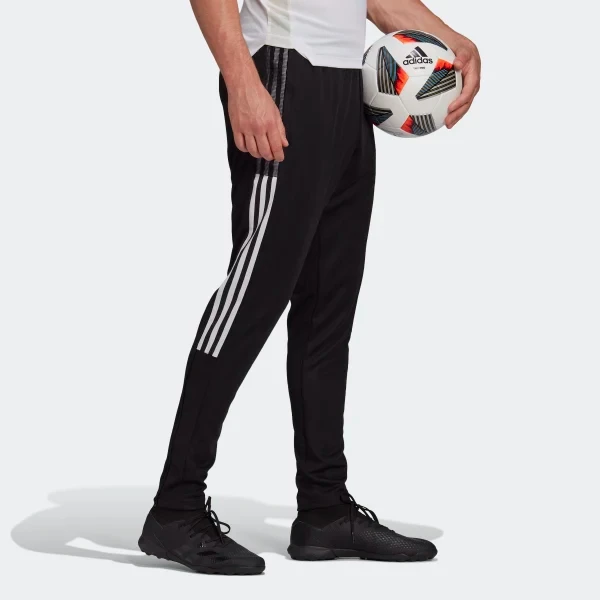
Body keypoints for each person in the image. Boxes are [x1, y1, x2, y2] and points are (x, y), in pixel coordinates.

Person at [138, 0, 480, 575]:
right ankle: (175, 507)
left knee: (328, 308)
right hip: (282, 73)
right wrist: (242, 82)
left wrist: (453, 41)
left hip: (348, 89)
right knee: (251, 297)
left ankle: (324, 509)